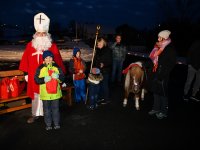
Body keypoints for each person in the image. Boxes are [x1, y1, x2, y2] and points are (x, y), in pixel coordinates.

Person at [19, 12, 66, 123]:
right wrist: (26, 73)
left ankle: (47, 114)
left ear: (47, 33)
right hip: (34, 75)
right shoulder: (30, 45)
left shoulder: (52, 46)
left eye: (43, 33)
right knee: (35, 95)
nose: (41, 35)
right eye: (39, 33)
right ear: (35, 33)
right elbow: (25, 59)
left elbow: (58, 61)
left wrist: (61, 76)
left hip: (48, 76)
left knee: (48, 93)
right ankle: (34, 114)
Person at [148, 30, 176, 119]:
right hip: (156, 73)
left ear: (164, 38)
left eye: (160, 37)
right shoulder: (158, 47)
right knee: (156, 92)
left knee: (163, 93)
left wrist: (163, 74)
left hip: (163, 75)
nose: (158, 39)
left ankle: (163, 111)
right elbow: (154, 60)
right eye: (158, 37)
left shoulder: (169, 48)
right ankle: (156, 108)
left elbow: (171, 64)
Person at [34, 50, 64, 130]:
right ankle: (48, 124)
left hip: (55, 93)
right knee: (46, 110)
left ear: (52, 58)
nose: (49, 59)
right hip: (45, 94)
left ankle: (56, 123)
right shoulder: (40, 68)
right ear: (44, 59)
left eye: (50, 57)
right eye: (46, 57)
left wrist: (58, 76)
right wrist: (44, 79)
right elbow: (36, 79)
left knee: (56, 109)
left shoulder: (56, 67)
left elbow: (62, 78)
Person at [93, 37, 112, 104]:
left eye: (100, 43)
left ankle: (106, 99)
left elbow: (110, 61)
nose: (99, 44)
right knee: (99, 85)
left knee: (104, 85)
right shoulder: (97, 51)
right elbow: (95, 60)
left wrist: (104, 64)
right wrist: (93, 67)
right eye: (98, 43)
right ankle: (101, 97)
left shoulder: (108, 50)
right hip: (98, 70)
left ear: (103, 43)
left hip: (105, 70)